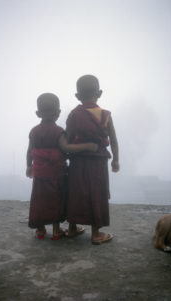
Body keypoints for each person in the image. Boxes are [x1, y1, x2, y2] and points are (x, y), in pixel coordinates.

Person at [26, 93, 98, 240]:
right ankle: (57, 230)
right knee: (55, 201)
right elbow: (66, 148)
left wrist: (28, 166)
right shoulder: (58, 131)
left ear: (38, 113)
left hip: (39, 175)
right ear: (58, 113)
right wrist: (88, 146)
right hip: (56, 175)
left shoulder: (34, 131)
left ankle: (40, 230)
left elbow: (29, 151)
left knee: (39, 200)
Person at [66, 75, 119, 244]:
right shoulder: (105, 115)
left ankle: (72, 228)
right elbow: (114, 140)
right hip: (98, 162)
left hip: (77, 162)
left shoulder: (74, 115)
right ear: (99, 93)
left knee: (76, 192)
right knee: (97, 193)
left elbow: (67, 139)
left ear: (77, 96)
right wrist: (116, 160)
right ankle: (96, 234)